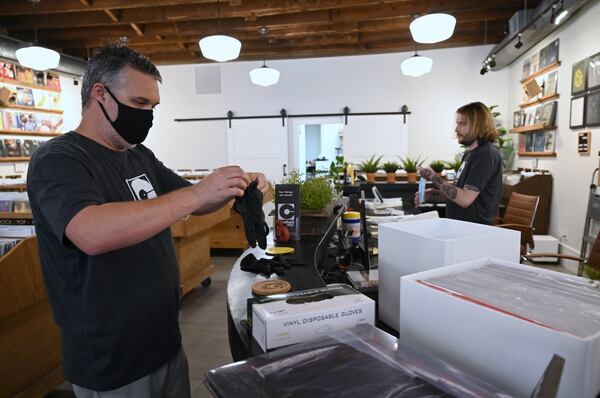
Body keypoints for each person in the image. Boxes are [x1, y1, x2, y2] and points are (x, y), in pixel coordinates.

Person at [27, 44, 267, 397]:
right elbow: (90, 232)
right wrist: (199, 193)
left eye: (152, 107)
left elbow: (191, 201)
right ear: (100, 95)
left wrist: (235, 185)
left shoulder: (138, 155)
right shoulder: (58, 159)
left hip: (162, 338)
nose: (148, 116)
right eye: (139, 104)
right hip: (112, 358)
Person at [416, 102, 501, 225]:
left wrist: (432, 176)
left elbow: (465, 199)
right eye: (457, 124)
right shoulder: (470, 154)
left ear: (478, 125)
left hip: (474, 231)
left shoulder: (485, 154)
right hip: (460, 227)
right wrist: (433, 195)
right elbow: (459, 193)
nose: (456, 129)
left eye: (462, 124)